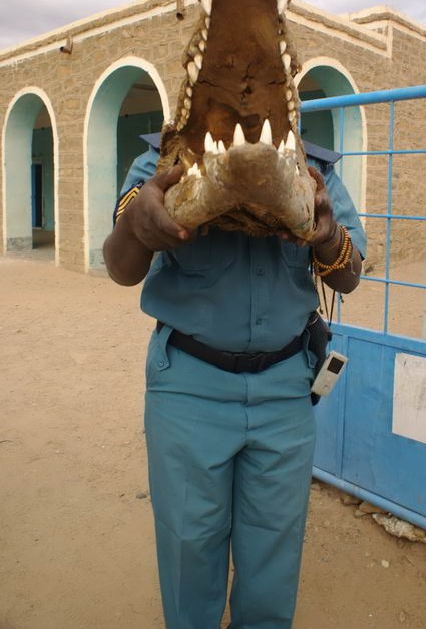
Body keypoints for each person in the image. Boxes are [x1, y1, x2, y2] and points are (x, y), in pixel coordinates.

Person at [103, 135, 366, 629]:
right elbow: (121, 268)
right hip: (188, 387)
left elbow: (349, 276)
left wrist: (326, 235)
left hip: (284, 391)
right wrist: (140, 224)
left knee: (273, 543)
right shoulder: (162, 164)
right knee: (188, 542)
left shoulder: (311, 173)